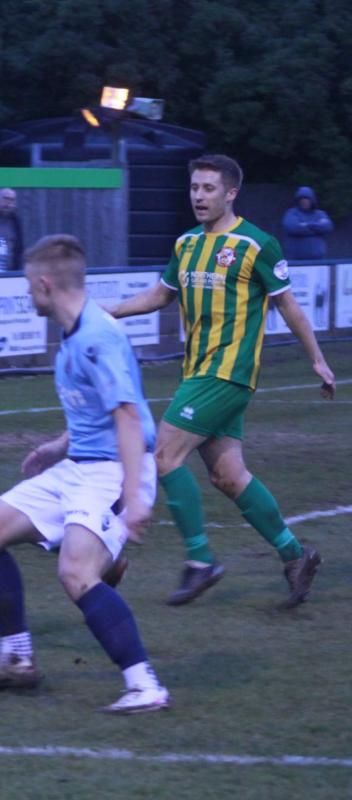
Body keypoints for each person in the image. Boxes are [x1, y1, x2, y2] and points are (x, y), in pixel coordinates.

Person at [109, 154, 333, 607]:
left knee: (165, 455)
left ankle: (200, 560)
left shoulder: (257, 244)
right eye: (194, 187)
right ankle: (295, 554)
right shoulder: (186, 244)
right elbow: (160, 295)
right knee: (228, 476)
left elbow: (288, 305)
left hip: (227, 372)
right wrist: (107, 311)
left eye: (208, 188)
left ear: (231, 193)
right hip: (197, 371)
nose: (199, 196)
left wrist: (317, 359)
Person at [0, 234, 169, 715]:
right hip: (80, 466)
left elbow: (128, 418)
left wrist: (136, 497)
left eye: (27, 285)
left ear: (45, 284)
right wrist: (58, 447)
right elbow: (99, 412)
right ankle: (16, 659)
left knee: (75, 572)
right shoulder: (75, 332)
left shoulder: (97, 338)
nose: (26, 294)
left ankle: (145, 685)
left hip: (115, 471)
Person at [281, 186, 333, 261]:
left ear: (312, 200)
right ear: (298, 201)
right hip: (295, 261)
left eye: (307, 199)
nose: (304, 201)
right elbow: (293, 228)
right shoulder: (291, 213)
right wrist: (317, 227)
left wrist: (305, 225)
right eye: (301, 199)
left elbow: (327, 227)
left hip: (318, 261)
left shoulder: (320, 214)